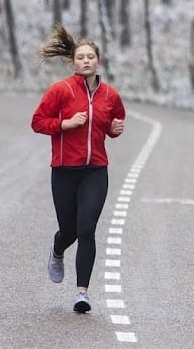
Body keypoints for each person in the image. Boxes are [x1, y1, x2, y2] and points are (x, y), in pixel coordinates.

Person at [31, 24, 126, 314]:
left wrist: (115, 129)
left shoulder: (110, 95)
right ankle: (58, 249)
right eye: (80, 57)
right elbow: (37, 122)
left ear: (98, 61)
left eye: (90, 57)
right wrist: (64, 124)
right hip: (64, 171)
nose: (86, 61)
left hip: (96, 170)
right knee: (69, 231)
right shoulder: (60, 90)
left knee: (87, 229)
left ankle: (81, 293)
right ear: (73, 63)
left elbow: (115, 123)